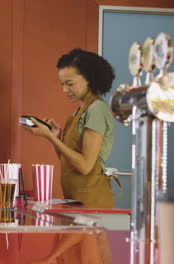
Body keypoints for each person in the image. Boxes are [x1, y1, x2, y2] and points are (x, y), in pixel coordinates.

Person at [22, 48, 118, 208]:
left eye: (70, 84)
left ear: (89, 79)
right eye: (62, 84)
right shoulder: (80, 110)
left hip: (92, 205)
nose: (64, 90)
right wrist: (56, 137)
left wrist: (50, 137)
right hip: (76, 202)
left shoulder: (96, 110)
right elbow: (67, 160)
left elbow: (84, 166)